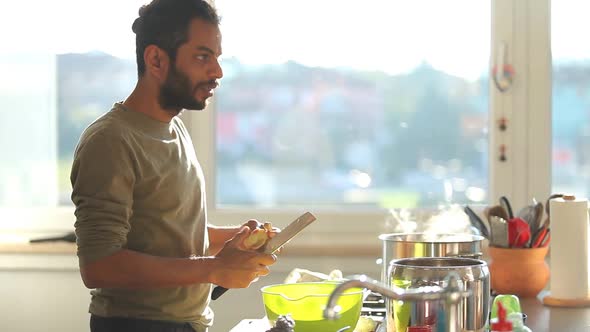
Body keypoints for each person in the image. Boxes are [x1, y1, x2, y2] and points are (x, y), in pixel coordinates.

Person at [69, 1, 277, 331]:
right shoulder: (110, 140)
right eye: (202, 56)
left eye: (217, 57)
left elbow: (171, 234)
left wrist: (236, 240)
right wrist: (213, 269)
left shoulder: (174, 127)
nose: (217, 72)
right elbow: (99, 265)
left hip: (187, 323)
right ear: (156, 59)